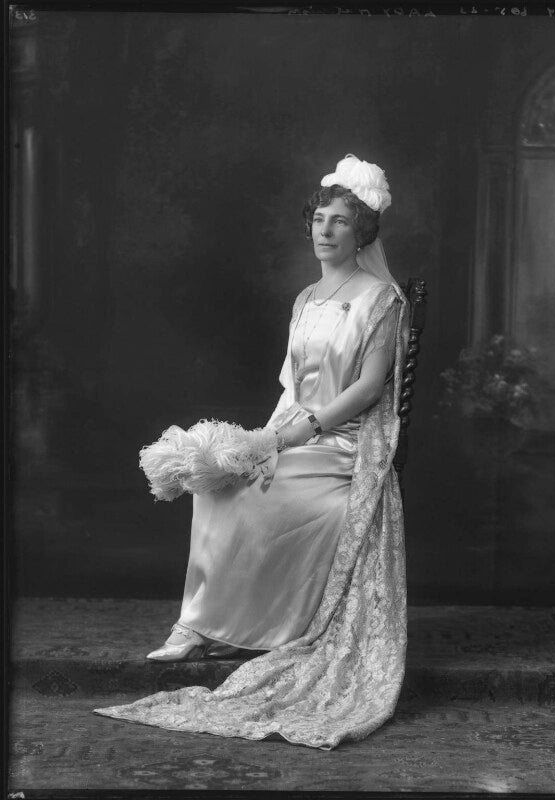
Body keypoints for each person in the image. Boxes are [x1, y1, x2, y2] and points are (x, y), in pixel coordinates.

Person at [94, 154, 411, 750]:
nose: (325, 230)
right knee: (219, 480)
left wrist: (299, 434)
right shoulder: (306, 297)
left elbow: (369, 389)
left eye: (341, 221)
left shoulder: (382, 300)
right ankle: (201, 624)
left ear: (362, 232)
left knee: (258, 500)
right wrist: (259, 443)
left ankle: (241, 626)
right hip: (292, 430)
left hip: (344, 446)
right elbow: (292, 388)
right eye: (319, 219)